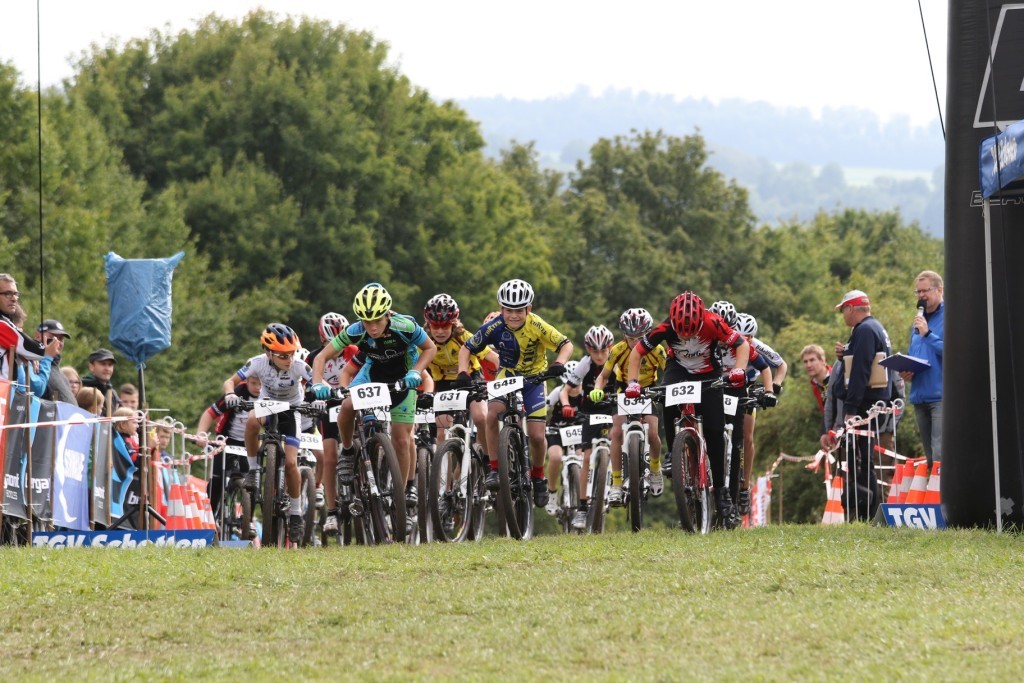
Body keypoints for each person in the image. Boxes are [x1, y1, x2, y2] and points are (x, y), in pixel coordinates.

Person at [310, 283, 436, 520]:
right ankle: (347, 452)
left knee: (401, 439)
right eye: (367, 322)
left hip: (403, 380)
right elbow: (322, 356)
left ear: (388, 314)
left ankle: (405, 489)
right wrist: (318, 383)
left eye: (378, 320)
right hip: (371, 375)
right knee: (346, 406)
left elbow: (430, 348)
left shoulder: (405, 326)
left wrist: (417, 372)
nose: (373, 327)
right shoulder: (356, 330)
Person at [628, 291, 749, 528]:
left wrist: (740, 370)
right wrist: (633, 382)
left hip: (708, 372)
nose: (685, 335)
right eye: (680, 331)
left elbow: (741, 345)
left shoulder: (714, 322)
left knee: (714, 432)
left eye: (691, 331)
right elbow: (637, 353)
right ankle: (674, 453)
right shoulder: (665, 328)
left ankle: (722, 492)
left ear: (701, 321)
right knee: (667, 397)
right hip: (679, 370)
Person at [456, 278, 574, 509]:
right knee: (492, 414)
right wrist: (462, 372)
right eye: (508, 310)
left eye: (519, 310)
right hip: (507, 376)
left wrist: (559, 362)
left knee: (538, 436)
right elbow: (467, 348)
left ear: (528, 309)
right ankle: (494, 468)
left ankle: (538, 476)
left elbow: (566, 344)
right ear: (501, 309)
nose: (513, 315)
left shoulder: (537, 325)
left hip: (534, 379)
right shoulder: (494, 327)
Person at [224, 323, 313, 543]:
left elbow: (316, 382)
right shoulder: (257, 363)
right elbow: (230, 382)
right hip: (268, 405)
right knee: (252, 420)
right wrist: (230, 395)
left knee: (292, 463)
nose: (288, 360)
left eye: (291, 354)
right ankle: (254, 470)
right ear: (268, 352)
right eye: (282, 355)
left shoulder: (300, 366)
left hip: (292, 409)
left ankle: (295, 513)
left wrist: (319, 396)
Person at [828, 289, 894, 521]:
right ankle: (867, 512)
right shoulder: (875, 327)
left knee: (862, 461)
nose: (844, 316)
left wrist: (850, 409)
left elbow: (861, 370)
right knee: (863, 460)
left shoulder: (865, 330)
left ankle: (868, 513)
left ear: (852, 308)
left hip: (864, 405)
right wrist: (845, 353)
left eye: (844, 310)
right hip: (873, 401)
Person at [590, 313, 668, 510]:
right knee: (615, 432)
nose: (635, 342)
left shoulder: (657, 350)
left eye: (640, 337)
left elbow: (670, 370)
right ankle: (616, 483)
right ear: (624, 335)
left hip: (648, 388)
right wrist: (597, 390)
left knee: (652, 432)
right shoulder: (617, 350)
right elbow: (603, 376)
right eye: (630, 337)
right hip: (623, 389)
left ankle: (656, 470)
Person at [900, 270, 944, 466]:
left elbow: (956, 353)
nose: (920, 296)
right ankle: (937, 495)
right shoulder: (917, 322)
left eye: (924, 291)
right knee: (929, 459)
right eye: (917, 292)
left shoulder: (952, 317)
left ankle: (946, 497)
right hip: (919, 395)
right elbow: (916, 354)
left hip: (941, 397)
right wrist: (907, 371)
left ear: (939, 290)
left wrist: (927, 334)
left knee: (940, 456)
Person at [0, 274, 49, 382]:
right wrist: (46, 351)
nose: (14, 299)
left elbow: (28, 351)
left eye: (15, 294)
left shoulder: (6, 321)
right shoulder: (1, 325)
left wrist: (24, 354)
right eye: (8, 294)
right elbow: (36, 351)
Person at [35, 319, 77, 403]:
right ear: (37, 336)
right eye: (52, 337)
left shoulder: (62, 376)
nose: (57, 342)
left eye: (61, 339)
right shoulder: (33, 364)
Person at [81, 348, 120, 414]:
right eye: (103, 364)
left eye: (110, 365)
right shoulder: (83, 389)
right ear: (91, 367)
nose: (107, 369)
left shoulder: (112, 393)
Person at [800, 344, 831, 413]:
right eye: (805, 362)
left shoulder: (837, 377)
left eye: (812, 360)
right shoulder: (815, 385)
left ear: (822, 361)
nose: (808, 365)